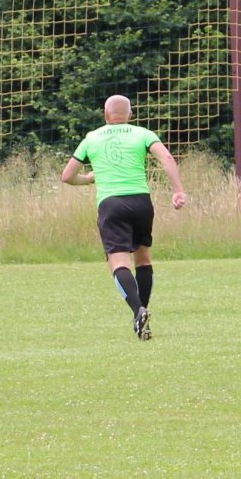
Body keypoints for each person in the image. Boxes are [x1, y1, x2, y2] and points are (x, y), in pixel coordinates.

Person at [59, 95, 187, 340]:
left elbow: (67, 176)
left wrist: (87, 179)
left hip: (112, 204)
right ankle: (142, 315)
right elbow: (167, 158)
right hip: (141, 202)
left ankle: (138, 311)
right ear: (130, 114)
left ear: (105, 114)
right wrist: (178, 190)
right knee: (143, 258)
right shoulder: (143, 134)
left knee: (118, 262)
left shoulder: (91, 138)